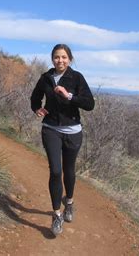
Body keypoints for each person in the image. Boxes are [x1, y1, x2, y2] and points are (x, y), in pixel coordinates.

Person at [30, 44, 94, 236]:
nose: (60, 60)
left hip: (73, 131)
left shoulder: (76, 77)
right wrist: (37, 108)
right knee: (56, 171)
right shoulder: (46, 78)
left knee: (69, 171)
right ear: (52, 59)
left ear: (70, 59)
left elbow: (89, 104)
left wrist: (70, 96)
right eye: (57, 57)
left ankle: (70, 202)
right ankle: (57, 214)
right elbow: (35, 97)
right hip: (51, 129)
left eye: (64, 57)